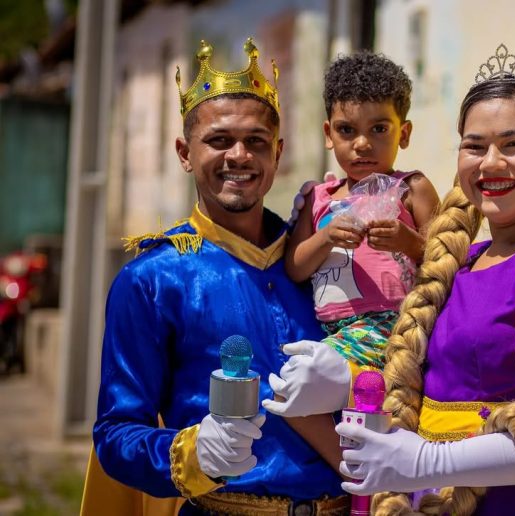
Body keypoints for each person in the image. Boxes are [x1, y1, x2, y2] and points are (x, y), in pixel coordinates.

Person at [273, 44, 515, 515]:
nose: (491, 163)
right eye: (475, 146)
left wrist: (432, 462)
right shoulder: (457, 263)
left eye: (514, 144)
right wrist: (350, 380)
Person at [82, 38, 349, 516]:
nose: (239, 156)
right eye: (219, 140)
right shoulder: (152, 279)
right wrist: (192, 452)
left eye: (256, 142)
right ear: (185, 152)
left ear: (278, 154)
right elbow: (116, 434)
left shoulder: (328, 258)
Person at [263, 53, 439, 425]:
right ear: (328, 135)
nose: (362, 144)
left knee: (305, 379)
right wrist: (326, 237)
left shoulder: (412, 189)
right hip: (332, 330)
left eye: (379, 129)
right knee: (353, 418)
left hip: (392, 326)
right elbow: (295, 268)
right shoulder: (318, 198)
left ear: (404, 133)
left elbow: (446, 260)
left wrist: (407, 241)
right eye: (347, 130)